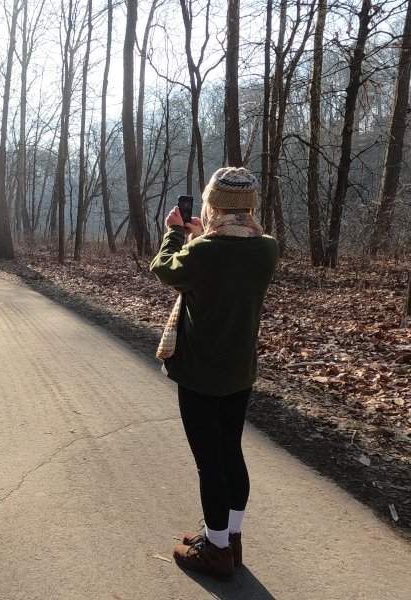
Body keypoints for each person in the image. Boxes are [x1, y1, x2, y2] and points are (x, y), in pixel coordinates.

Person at [149, 167, 279, 580]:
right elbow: (222, 264)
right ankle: (229, 536)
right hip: (239, 371)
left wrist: (174, 231)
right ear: (249, 208)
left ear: (212, 205)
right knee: (230, 453)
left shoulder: (203, 252)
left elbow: (164, 268)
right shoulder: (267, 248)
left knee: (210, 464)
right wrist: (198, 236)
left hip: (201, 373)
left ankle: (217, 551)